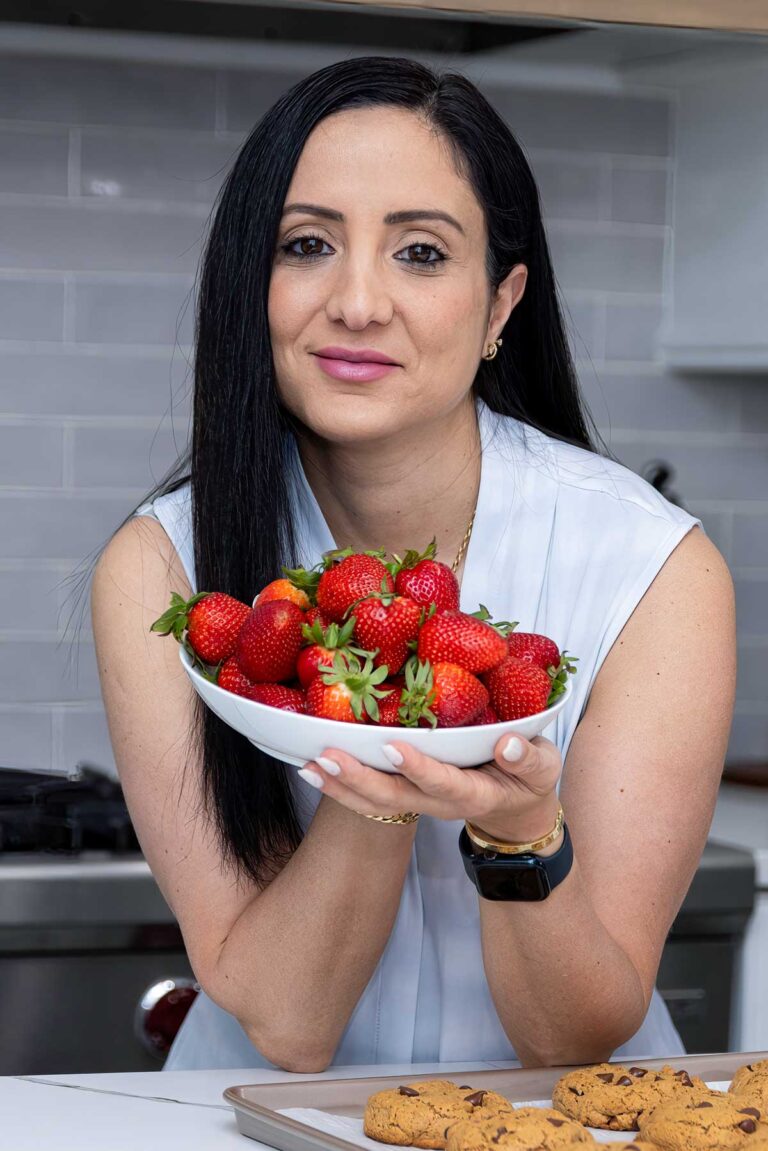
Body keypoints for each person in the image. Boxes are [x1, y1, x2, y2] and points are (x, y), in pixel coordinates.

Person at [91, 57, 735, 1073]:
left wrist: (521, 831)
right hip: (254, 1125)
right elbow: (291, 1024)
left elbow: (570, 1036)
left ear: (499, 305)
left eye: (421, 253)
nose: (356, 302)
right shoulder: (163, 572)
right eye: (307, 244)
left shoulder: (652, 567)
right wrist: (383, 759)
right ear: (248, 284)